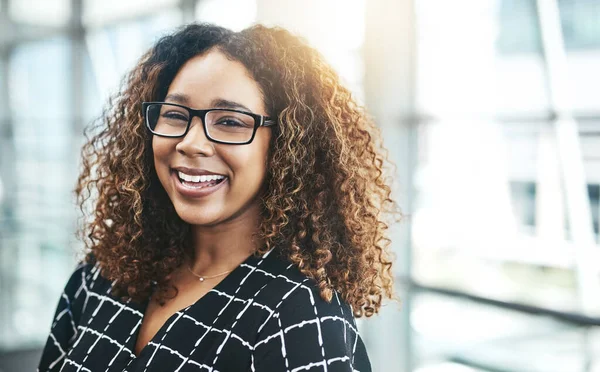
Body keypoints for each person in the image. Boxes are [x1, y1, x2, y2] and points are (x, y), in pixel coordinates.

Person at [38, 22, 398, 372]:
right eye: (175, 115)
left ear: (288, 146)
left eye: (229, 122)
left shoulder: (298, 314)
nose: (191, 143)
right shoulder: (103, 272)